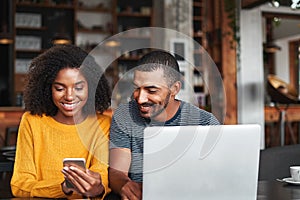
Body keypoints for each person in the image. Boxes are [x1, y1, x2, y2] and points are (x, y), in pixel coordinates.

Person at [108, 50, 220, 199]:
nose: (140, 99)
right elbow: (117, 172)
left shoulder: (205, 123)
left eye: (152, 90)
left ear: (174, 89)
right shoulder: (125, 116)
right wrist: (125, 186)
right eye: (137, 88)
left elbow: (217, 176)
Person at [10, 44, 112, 199]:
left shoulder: (103, 124)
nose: (69, 96)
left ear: (91, 88)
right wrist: (63, 187)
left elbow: (102, 177)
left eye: (78, 88)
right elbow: (20, 185)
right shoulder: (32, 122)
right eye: (59, 88)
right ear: (47, 89)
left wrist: (97, 188)